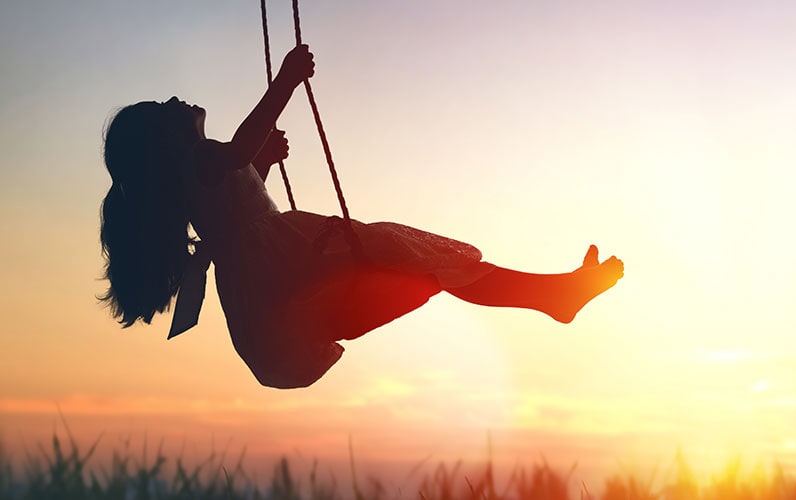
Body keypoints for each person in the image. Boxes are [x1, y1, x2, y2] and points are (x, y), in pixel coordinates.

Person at [98, 45, 624, 389]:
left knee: (422, 266)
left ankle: (553, 294)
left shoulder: (197, 172)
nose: (173, 99)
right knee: (419, 264)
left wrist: (264, 161)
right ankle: (553, 295)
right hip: (287, 270)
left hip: (279, 276)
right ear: (163, 146)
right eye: (162, 109)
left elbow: (235, 182)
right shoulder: (199, 156)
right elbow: (236, 153)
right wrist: (285, 82)